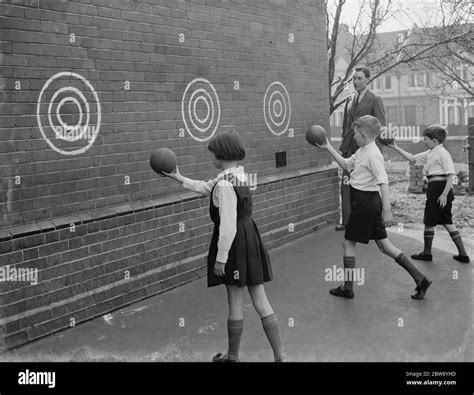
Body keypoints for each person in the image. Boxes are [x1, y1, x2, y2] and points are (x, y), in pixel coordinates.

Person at [163, 131, 286, 362]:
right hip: (250, 239)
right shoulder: (238, 176)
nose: (211, 157)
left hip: (234, 244)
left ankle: (232, 356)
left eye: (212, 153)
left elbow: (228, 227)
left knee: (235, 300)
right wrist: (178, 177)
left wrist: (221, 258)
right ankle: (280, 358)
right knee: (261, 300)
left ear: (220, 155)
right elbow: (203, 186)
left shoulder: (224, 186)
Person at [314, 115, 432, 300]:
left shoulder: (372, 154)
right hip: (366, 202)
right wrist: (328, 146)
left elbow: (383, 182)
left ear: (363, 134)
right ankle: (420, 279)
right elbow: (346, 164)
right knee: (385, 246)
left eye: (354, 134)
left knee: (348, 243)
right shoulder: (363, 151)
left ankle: (347, 287)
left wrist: (387, 210)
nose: (353, 137)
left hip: (365, 203)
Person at [388, 125, 470, 263]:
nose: (423, 141)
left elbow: (451, 176)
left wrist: (443, 195)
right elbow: (412, 158)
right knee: (446, 221)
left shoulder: (443, 153)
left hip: (439, 189)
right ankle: (463, 254)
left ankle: (427, 253)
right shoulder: (430, 152)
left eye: (425, 139)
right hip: (436, 188)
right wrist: (395, 147)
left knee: (429, 221)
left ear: (435, 140)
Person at [337, 66, 386, 231]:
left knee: (368, 185)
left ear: (367, 80)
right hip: (350, 147)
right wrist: (344, 144)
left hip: (367, 149)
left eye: (359, 78)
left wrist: (374, 149)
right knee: (346, 184)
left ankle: (372, 221)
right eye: (354, 79)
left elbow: (380, 127)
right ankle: (347, 221)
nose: (356, 82)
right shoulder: (349, 99)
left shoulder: (375, 99)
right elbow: (345, 125)